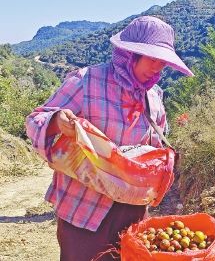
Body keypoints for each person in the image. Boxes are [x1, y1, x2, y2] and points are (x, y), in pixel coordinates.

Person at [25, 15, 193, 261]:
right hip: (84, 210)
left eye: (163, 62)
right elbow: (34, 120)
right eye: (153, 59)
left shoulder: (154, 97)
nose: (158, 68)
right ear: (129, 54)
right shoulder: (86, 81)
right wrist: (57, 121)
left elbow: (154, 147)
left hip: (131, 213)